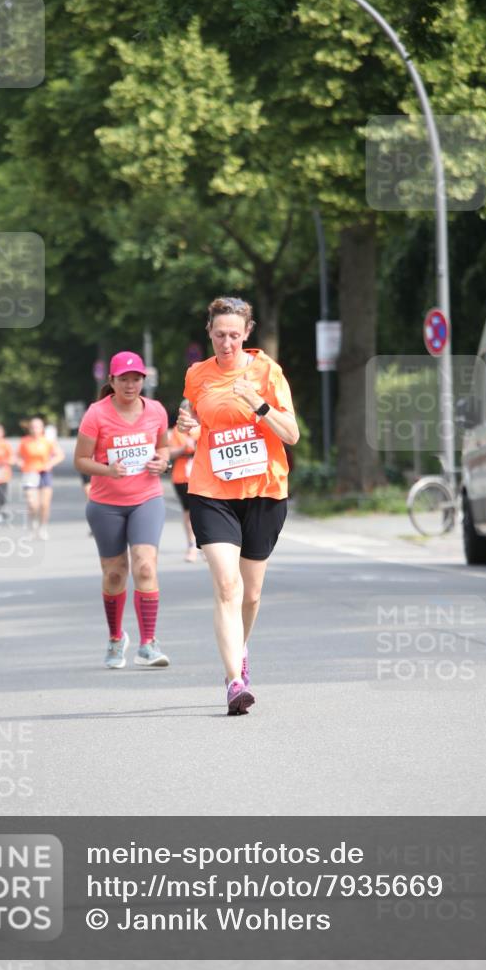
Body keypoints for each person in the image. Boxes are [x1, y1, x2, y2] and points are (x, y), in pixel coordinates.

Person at [178, 296, 299, 715]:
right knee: (227, 586)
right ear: (208, 334)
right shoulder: (197, 375)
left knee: (250, 595)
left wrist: (258, 404)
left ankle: (240, 649)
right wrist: (186, 424)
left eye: (234, 335)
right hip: (212, 492)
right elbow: (192, 414)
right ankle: (234, 682)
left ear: (246, 334)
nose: (226, 343)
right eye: (218, 335)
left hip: (264, 491)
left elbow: (292, 434)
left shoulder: (267, 371)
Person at [74, 351, 171, 669]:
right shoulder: (96, 414)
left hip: (147, 498)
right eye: (124, 379)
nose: (131, 385)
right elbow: (81, 461)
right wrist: (107, 470)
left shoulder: (156, 410)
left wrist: (162, 460)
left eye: (137, 378)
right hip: (106, 504)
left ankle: (148, 644)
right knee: (115, 574)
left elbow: (163, 446)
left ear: (145, 380)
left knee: (145, 567)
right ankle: (116, 639)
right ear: (112, 381)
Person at [17, 417, 65, 539]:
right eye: (32, 427)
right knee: (33, 504)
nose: (35, 429)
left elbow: (60, 455)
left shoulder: (47, 441)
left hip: (44, 473)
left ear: (42, 428)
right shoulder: (25, 441)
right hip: (30, 473)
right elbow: (17, 457)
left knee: (44, 504)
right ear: (29, 428)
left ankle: (43, 527)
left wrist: (50, 463)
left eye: (37, 427)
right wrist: (21, 464)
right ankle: (32, 526)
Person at [168, 400, 200, 562]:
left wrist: (196, 445)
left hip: (203, 477)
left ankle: (206, 544)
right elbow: (170, 452)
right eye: (187, 410)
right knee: (189, 512)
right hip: (182, 477)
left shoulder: (204, 427)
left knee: (204, 512)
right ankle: (192, 545)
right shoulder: (178, 431)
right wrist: (184, 448)